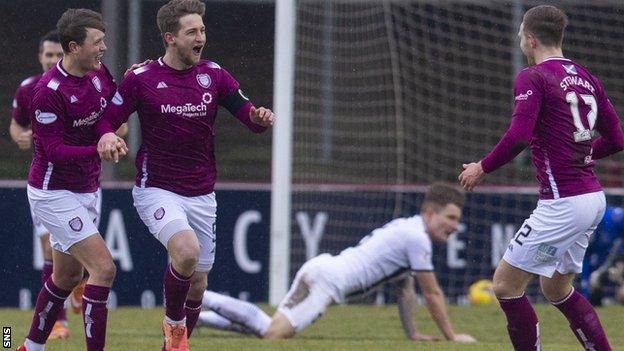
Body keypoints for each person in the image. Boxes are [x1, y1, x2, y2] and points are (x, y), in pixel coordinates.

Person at [96, 1, 274, 350]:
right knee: (187, 251)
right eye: (192, 31)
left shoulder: (214, 74)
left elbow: (248, 116)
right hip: (157, 189)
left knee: (198, 284)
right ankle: (174, 326)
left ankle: (172, 345)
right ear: (170, 38)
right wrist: (107, 134)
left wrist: (260, 118)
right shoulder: (142, 78)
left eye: (202, 30)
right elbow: (107, 118)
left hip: (202, 193)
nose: (201, 37)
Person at [459, 5, 624, 350]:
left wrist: (482, 167)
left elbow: (519, 135)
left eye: (521, 34)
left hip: (564, 201)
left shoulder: (533, 76)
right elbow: (617, 137)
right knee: (556, 289)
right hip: (592, 199)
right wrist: (587, 153)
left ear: (530, 38)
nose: (521, 40)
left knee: (505, 286)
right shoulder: (587, 76)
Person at [194, 183, 476, 343]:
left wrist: (412, 334)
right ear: (429, 213)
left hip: (322, 269)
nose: (455, 225)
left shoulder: (409, 230)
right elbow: (432, 293)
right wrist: (452, 337)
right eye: (450, 218)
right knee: (272, 334)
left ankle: (195, 318)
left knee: (268, 328)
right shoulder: (417, 238)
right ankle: (199, 297)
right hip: (328, 283)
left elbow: (405, 289)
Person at [17, 8, 128, 351]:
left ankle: (26, 347)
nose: (104, 48)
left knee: (66, 277)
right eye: (97, 42)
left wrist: (109, 131)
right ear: (73, 47)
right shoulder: (47, 91)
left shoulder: (98, 73)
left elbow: (110, 112)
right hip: (53, 192)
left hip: (85, 188)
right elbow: (52, 151)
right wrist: (99, 147)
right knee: (103, 269)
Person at [9, 30, 72, 341]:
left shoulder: (82, 85)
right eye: (47, 55)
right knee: (49, 247)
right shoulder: (29, 89)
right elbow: (17, 123)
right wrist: (19, 135)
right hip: (45, 183)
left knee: (77, 258)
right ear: (40, 57)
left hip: (82, 182)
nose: (51, 60)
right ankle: (58, 322)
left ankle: (82, 281)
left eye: (57, 55)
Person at [581, 206, 624, 305]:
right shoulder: (581, 226)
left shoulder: (614, 217)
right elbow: (586, 257)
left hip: (617, 259)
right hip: (599, 261)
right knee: (591, 283)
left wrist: (621, 260)